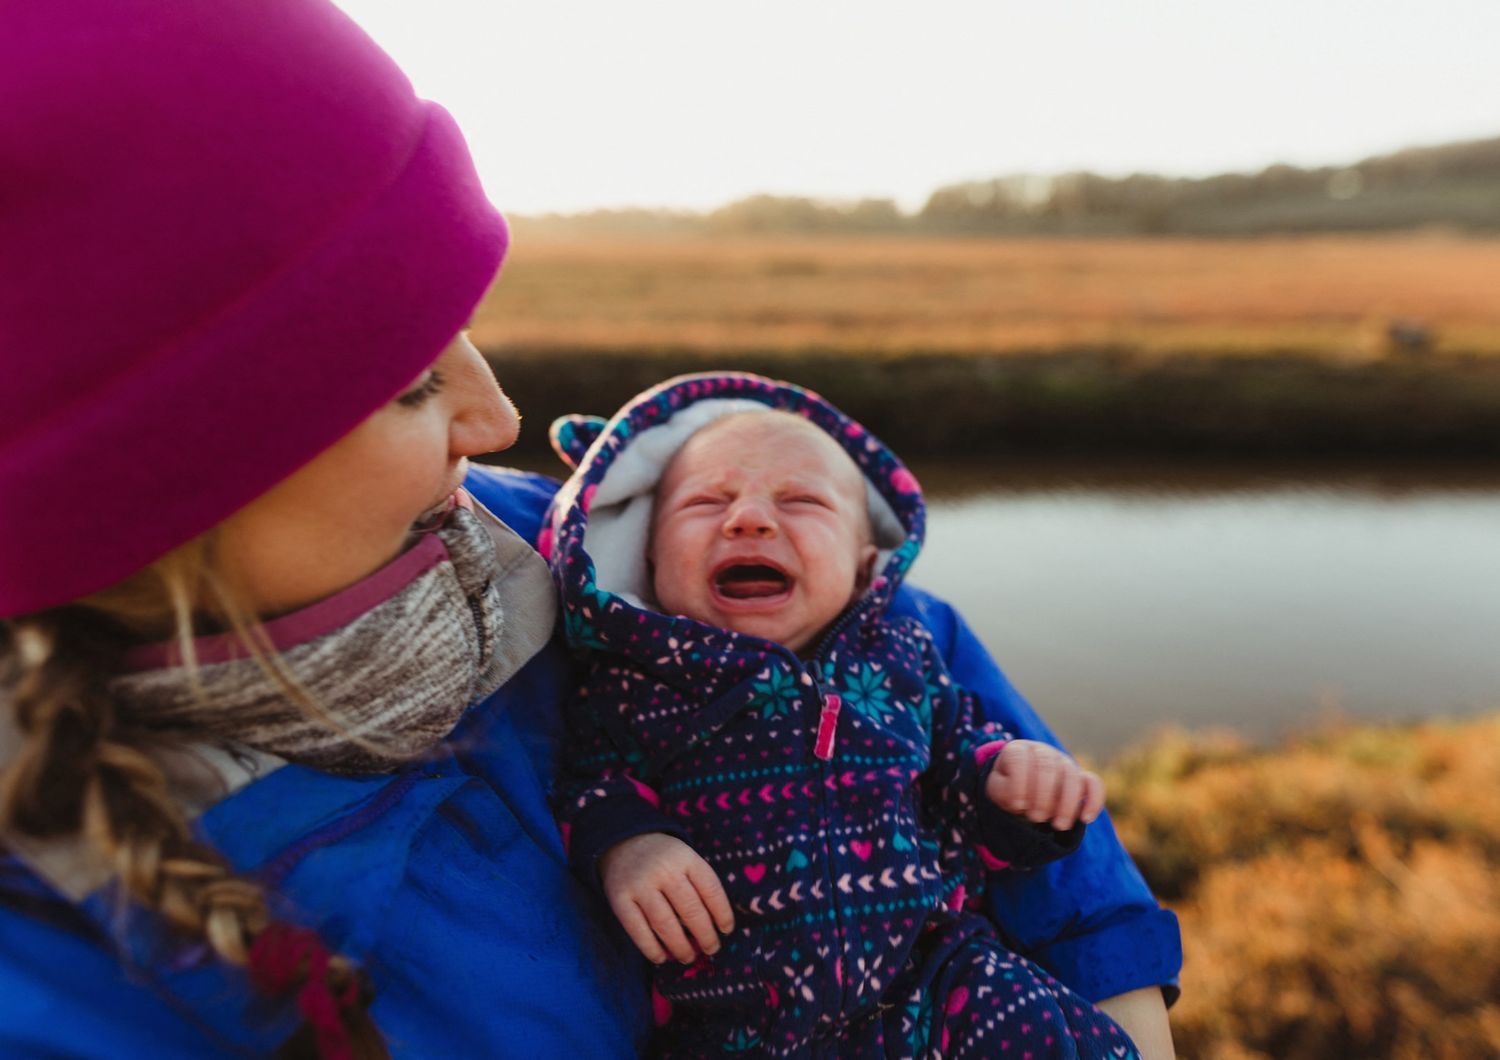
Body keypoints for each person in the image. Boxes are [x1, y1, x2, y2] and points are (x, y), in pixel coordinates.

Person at [0, 0, 1179, 1056]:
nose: (496, 415)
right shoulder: (53, 987)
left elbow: (908, 660)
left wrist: (1121, 1012)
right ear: (152, 491)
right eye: (409, 383)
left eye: (465, 330)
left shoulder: (564, 551)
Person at [547, 378, 1138, 1057]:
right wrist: (629, 845)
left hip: (941, 979)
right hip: (737, 1016)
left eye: (799, 501)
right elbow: (589, 780)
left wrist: (1013, 784)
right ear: (649, 558)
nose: (748, 519)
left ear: (866, 571)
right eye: (706, 501)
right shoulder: (634, 682)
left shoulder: (905, 657)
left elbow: (962, 769)